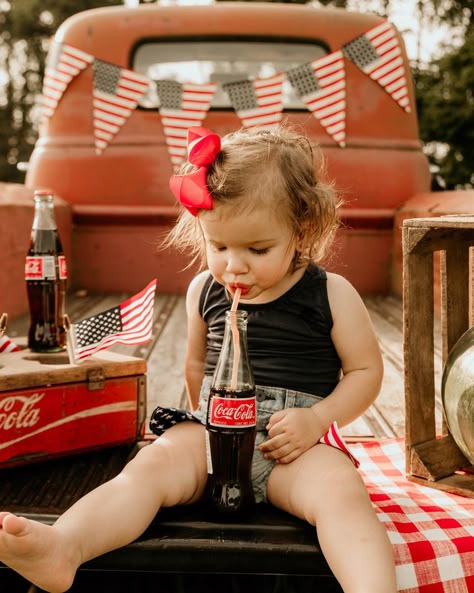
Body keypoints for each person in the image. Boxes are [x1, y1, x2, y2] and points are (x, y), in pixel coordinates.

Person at [0, 125, 397, 593]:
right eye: (219, 246)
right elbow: (194, 365)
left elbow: (366, 372)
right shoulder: (203, 291)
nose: (234, 265)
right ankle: (64, 546)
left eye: (258, 249)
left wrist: (319, 419)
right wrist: (198, 428)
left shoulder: (330, 293)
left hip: (292, 445)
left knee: (342, 495)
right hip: (215, 432)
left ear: (302, 228)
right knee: (147, 469)